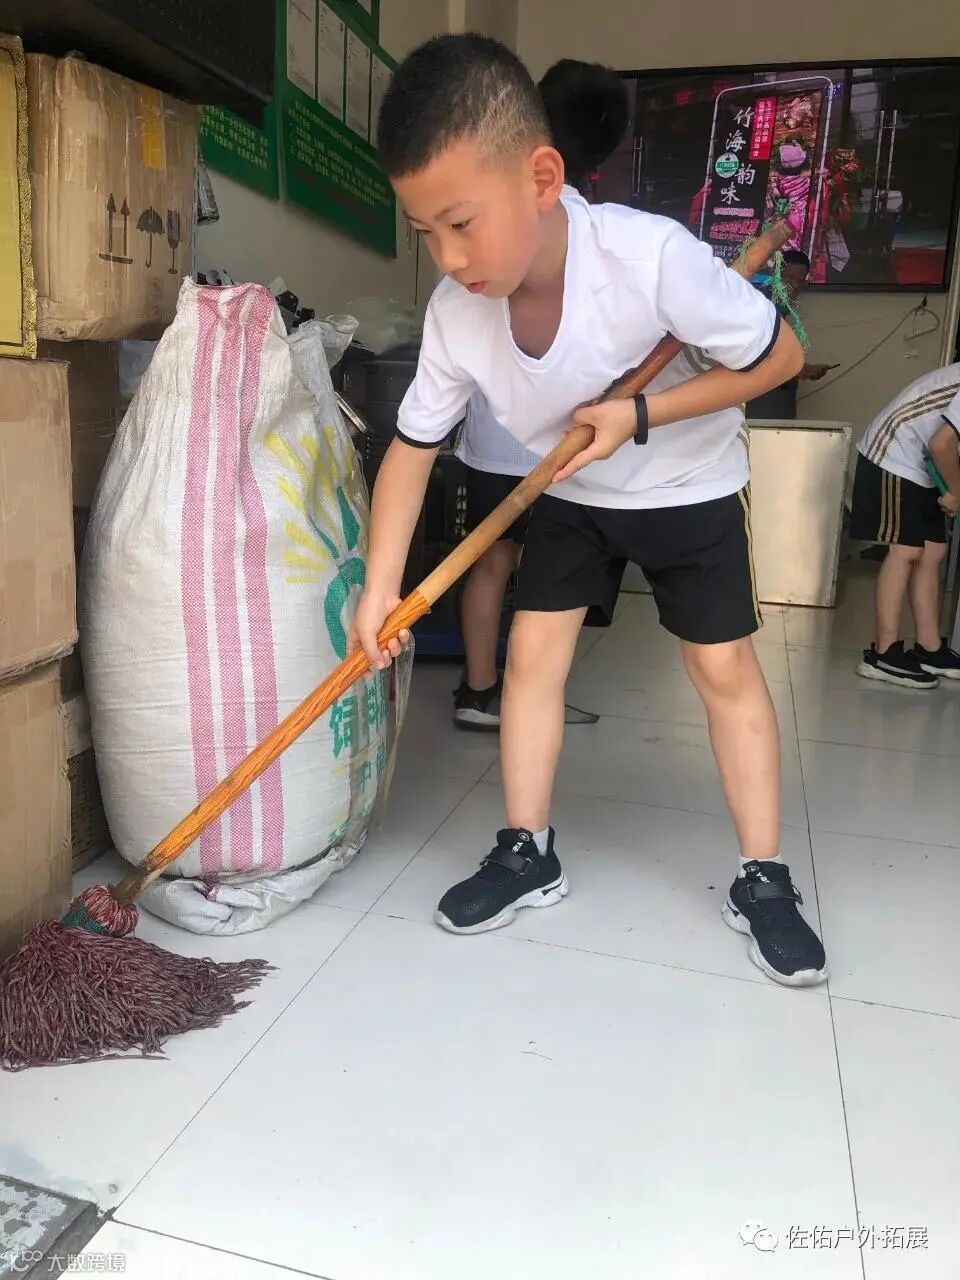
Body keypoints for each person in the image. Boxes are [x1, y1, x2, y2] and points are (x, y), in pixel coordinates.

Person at [353, 35, 826, 987]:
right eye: (426, 232)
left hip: (687, 486)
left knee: (722, 667)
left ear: (540, 177)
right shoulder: (456, 313)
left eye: (461, 224)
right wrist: (380, 588)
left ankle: (764, 877)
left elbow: (780, 357)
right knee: (531, 658)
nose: (449, 258)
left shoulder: (649, 259)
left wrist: (640, 414)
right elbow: (411, 449)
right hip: (570, 488)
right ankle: (527, 850)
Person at [453, 59, 626, 731]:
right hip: (554, 449)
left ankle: (477, 693)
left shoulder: (488, 211)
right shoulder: (597, 233)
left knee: (488, 560)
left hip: (488, 442)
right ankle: (532, 701)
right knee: (549, 578)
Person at [851, 364, 960, 687]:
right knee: (906, 550)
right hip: (894, 451)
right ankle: (883, 654)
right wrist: (957, 491)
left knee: (933, 551)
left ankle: (929, 648)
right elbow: (942, 443)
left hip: (924, 460)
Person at [745, 249, 832, 419]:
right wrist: (803, 370)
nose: (795, 285)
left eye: (800, 280)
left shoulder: (781, 307)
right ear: (775, 275)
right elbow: (757, 355)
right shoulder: (761, 305)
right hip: (760, 401)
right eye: (789, 278)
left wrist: (804, 369)